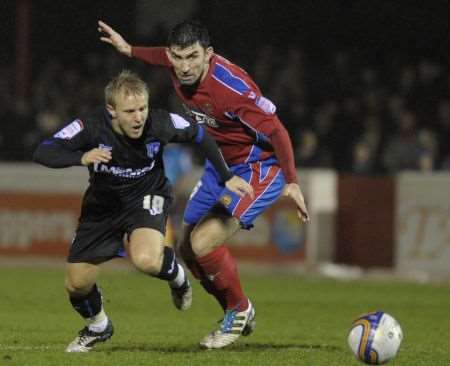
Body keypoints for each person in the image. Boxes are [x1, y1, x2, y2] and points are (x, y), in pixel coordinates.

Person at [98, 20, 310, 349]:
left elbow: (277, 131)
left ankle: (238, 312)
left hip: (257, 167)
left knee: (202, 243)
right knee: (186, 249)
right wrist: (129, 50)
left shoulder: (232, 88)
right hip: (220, 166)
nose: (184, 67)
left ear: (208, 55)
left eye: (192, 58)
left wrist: (293, 182)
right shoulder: (175, 62)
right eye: (178, 58)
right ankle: (238, 309)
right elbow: (159, 57)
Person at [33, 70, 254, 353]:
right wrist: (80, 157)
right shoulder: (90, 126)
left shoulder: (159, 122)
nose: (139, 117)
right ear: (111, 110)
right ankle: (98, 326)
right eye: (130, 111)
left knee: (147, 260)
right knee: (77, 284)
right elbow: (44, 150)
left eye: (142, 108)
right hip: (102, 207)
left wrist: (225, 176)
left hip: (147, 196)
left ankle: (177, 276)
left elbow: (201, 135)